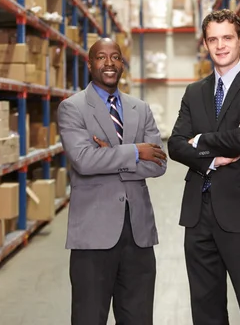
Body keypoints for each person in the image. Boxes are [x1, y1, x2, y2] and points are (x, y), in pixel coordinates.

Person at [168, 9, 240, 325]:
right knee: (205, 307)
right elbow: (175, 145)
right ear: (205, 43)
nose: (220, 46)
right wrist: (213, 156)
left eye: (227, 37)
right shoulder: (194, 92)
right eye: (213, 39)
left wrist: (199, 139)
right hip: (197, 213)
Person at [57, 37, 167, 325]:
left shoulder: (139, 108)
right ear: (90, 63)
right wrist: (133, 152)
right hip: (94, 234)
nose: (109, 63)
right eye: (101, 57)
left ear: (122, 63)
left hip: (139, 234)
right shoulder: (73, 108)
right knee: (89, 317)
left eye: (115, 57)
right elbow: (83, 160)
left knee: (139, 318)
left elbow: (158, 164)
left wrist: (109, 155)